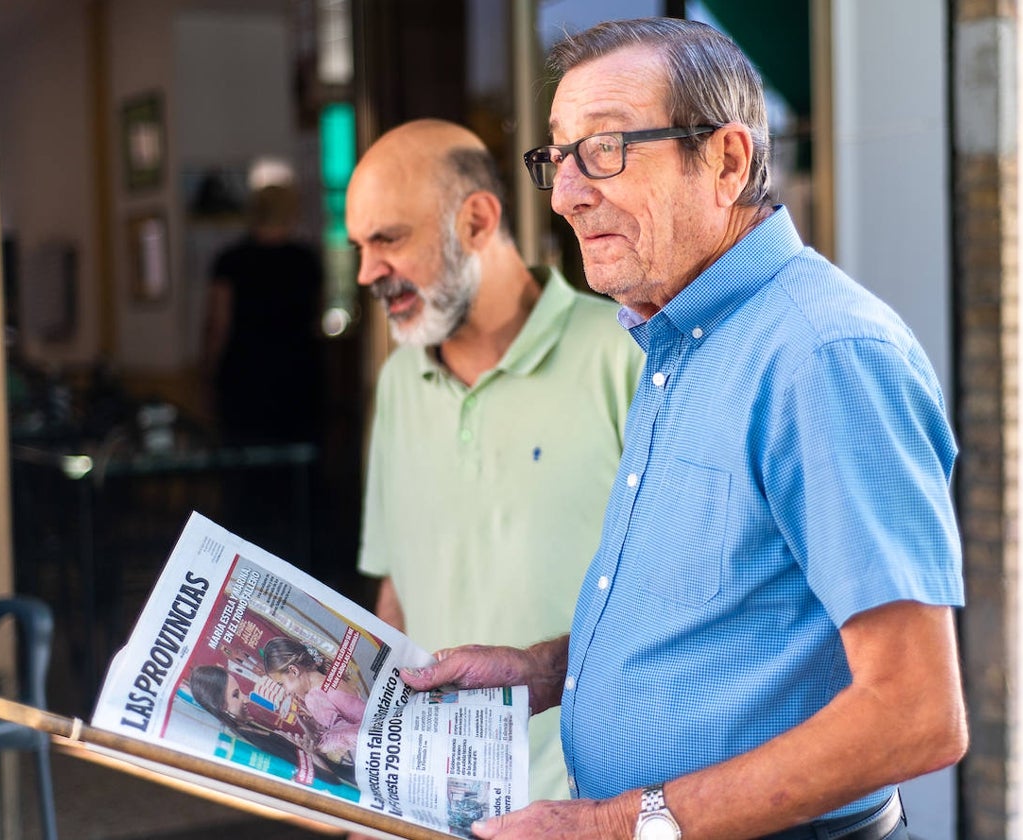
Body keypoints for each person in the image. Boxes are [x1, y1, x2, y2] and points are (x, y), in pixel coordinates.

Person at [401, 17, 968, 840]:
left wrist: (609, 828)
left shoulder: (826, 355)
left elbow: (914, 713)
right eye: (559, 157)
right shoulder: (675, 334)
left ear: (728, 162)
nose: (564, 194)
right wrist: (541, 671)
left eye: (604, 149)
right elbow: (730, 623)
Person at [348, 119, 644, 803]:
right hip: (432, 801)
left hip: (586, 804)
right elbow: (398, 589)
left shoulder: (624, 356)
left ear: (478, 220)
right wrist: (366, 781)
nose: (367, 272)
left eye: (388, 239)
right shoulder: (398, 381)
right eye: (361, 247)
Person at [201, 176, 324, 447]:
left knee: (247, 465)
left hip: (245, 377)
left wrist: (208, 374)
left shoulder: (232, 260)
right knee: (295, 470)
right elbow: (316, 317)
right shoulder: (305, 261)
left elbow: (218, 324)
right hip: (296, 376)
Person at [187, 663, 354, 788]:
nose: (246, 699)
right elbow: (330, 782)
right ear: (222, 707)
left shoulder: (252, 727)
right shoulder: (252, 744)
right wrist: (311, 754)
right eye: (236, 695)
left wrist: (309, 738)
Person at [261, 636, 367, 768]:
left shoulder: (313, 697)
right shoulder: (329, 678)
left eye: (281, 684)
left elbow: (351, 736)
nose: (286, 692)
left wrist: (317, 746)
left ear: (294, 671)